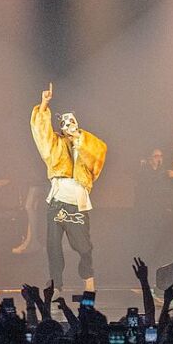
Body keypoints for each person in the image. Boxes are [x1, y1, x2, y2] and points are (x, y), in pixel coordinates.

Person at [29, 82, 107, 293]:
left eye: (72, 122)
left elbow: (100, 152)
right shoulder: (57, 144)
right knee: (53, 246)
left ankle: (88, 279)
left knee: (84, 247)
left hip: (77, 204)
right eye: (65, 123)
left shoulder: (86, 142)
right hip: (57, 203)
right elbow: (41, 134)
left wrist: (79, 140)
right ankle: (55, 283)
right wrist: (44, 105)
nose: (69, 125)